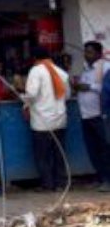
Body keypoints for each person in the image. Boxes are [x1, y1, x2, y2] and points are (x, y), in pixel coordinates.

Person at [23, 47, 71, 191]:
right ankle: (61, 184)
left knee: (43, 155)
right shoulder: (61, 72)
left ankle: (47, 184)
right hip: (60, 119)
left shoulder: (36, 71)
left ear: (34, 58)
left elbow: (31, 94)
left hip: (41, 121)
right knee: (59, 154)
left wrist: (23, 99)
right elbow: (67, 95)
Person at [76, 42, 110, 191]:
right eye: (85, 52)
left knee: (105, 148)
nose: (86, 55)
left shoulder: (105, 68)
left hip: (100, 115)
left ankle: (108, 180)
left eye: (89, 52)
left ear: (98, 54)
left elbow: (106, 89)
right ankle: (101, 177)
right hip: (86, 115)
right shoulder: (86, 70)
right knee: (93, 149)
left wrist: (89, 87)